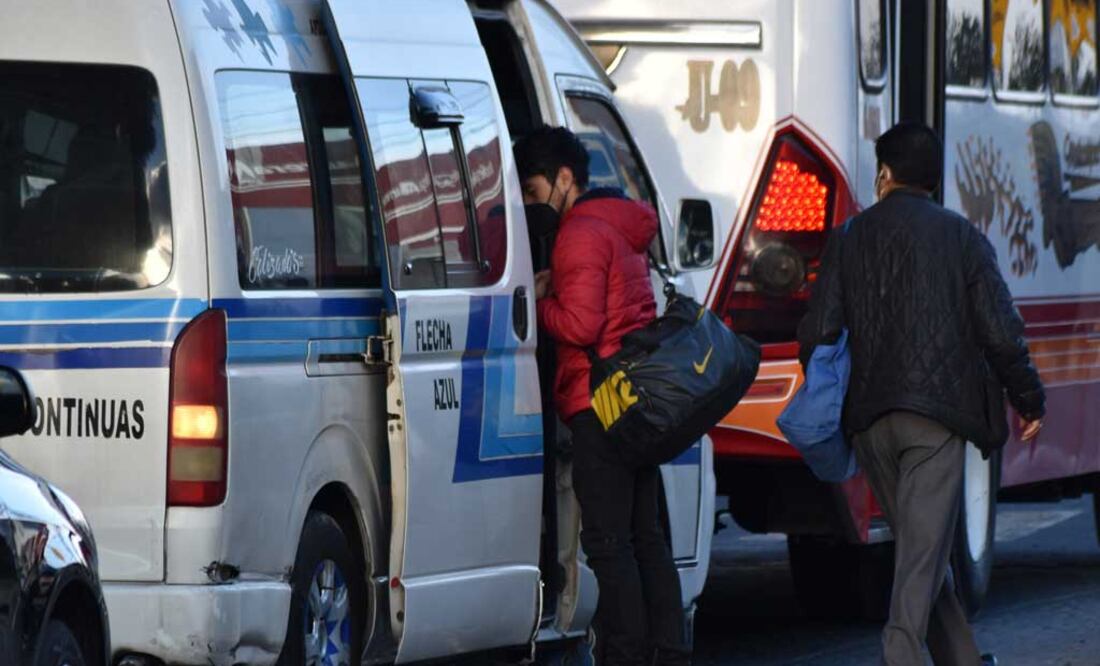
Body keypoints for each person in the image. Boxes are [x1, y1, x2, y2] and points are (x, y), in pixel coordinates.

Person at [798, 122, 1045, 666]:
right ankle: (900, 654)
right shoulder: (962, 239)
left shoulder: (847, 238)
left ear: (885, 174)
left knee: (924, 553)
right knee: (920, 559)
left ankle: (961, 659)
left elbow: (817, 334)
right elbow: (1002, 333)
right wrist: (1029, 400)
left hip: (869, 424)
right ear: (936, 180)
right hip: (937, 421)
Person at [514, 126, 690, 666]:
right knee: (645, 535)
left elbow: (581, 324)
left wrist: (535, 302)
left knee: (609, 543)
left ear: (565, 178)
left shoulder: (580, 234)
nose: (531, 205)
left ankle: (626, 652)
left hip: (596, 405)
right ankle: (669, 647)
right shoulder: (617, 225)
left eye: (534, 190)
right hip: (631, 402)